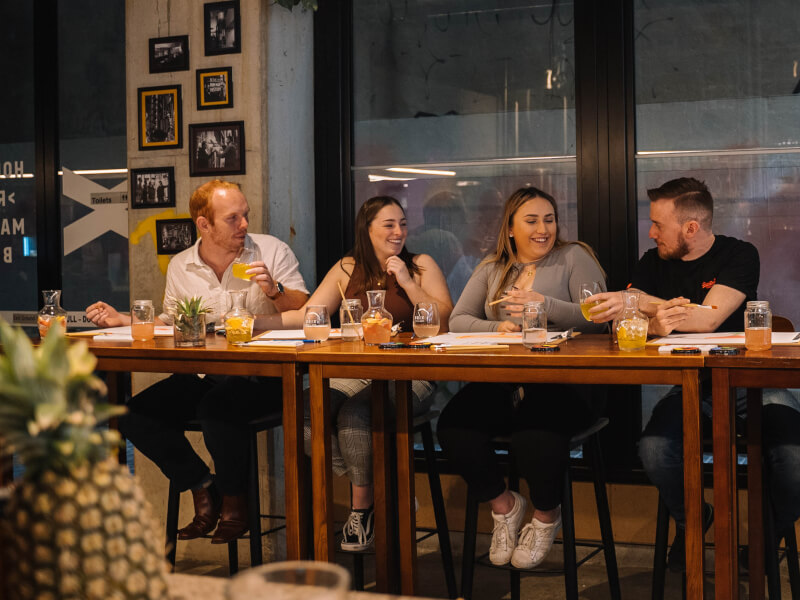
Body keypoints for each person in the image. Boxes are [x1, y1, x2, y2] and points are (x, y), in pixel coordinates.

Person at [587, 176, 800, 571]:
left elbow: (708, 320)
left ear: (691, 227)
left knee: (794, 459)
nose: (651, 233)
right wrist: (653, 324)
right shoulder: (652, 262)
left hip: (752, 385)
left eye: (658, 225)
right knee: (653, 450)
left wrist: (642, 304)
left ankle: (762, 543)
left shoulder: (739, 254)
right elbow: (621, 327)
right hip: (692, 386)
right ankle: (692, 522)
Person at [86, 179, 309, 544]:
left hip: (266, 375)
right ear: (203, 224)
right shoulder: (181, 265)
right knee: (131, 415)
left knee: (215, 408)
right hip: (206, 373)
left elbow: (306, 312)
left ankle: (237, 507)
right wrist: (124, 322)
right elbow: (171, 321)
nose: (243, 225)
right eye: (232, 218)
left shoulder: (269, 251)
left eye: (245, 216)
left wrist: (274, 290)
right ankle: (204, 488)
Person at [259, 195, 453, 551]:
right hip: (359, 371)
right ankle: (384, 489)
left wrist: (408, 282)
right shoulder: (347, 268)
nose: (399, 232)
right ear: (368, 229)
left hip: (414, 374)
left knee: (355, 413)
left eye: (403, 224)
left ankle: (361, 509)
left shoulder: (421, 264)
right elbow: (309, 315)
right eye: (389, 225)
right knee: (304, 409)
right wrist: (255, 323)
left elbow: (443, 321)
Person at [436, 186, 607, 569]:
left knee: (535, 433)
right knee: (453, 426)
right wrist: (495, 329)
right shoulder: (492, 267)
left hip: (567, 385)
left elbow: (597, 316)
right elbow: (458, 320)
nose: (542, 229)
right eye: (531, 221)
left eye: (549, 219)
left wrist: (543, 305)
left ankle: (546, 516)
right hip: (505, 383)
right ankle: (506, 506)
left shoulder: (573, 256)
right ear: (510, 228)